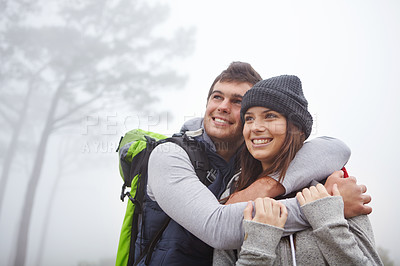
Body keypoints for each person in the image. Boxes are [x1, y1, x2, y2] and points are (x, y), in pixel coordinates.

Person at [136, 62, 372, 265]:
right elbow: (217, 227)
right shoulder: (169, 154)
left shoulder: (246, 169)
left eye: (238, 101)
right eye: (217, 96)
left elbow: (337, 147)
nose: (223, 107)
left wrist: (270, 183)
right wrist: (326, 206)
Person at [213, 75, 382, 265]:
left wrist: (327, 222)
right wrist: (259, 244)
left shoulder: (334, 187)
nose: (256, 127)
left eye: (270, 116)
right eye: (249, 119)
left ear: (297, 128)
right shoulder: (236, 189)